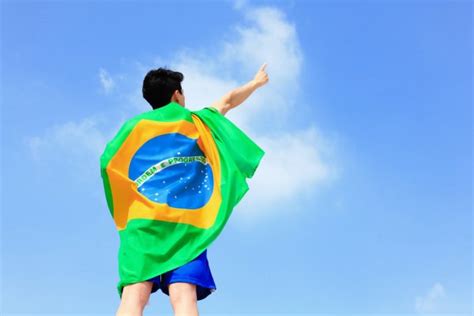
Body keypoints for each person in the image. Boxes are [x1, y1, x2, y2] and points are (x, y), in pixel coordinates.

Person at [115, 63, 269, 316]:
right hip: (186, 223)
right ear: (177, 94)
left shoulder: (132, 129)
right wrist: (256, 83)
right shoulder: (197, 121)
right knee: (183, 294)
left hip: (142, 224)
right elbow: (228, 101)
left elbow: (109, 163)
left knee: (134, 294)